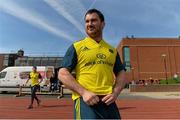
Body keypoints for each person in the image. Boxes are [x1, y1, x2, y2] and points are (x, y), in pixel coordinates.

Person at [58, 9, 126, 119]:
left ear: (103, 24)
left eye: (93, 20)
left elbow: (121, 72)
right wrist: (84, 93)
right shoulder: (76, 47)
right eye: (87, 21)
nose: (89, 24)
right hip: (86, 101)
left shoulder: (112, 50)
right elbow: (62, 73)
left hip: (108, 101)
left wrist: (115, 92)